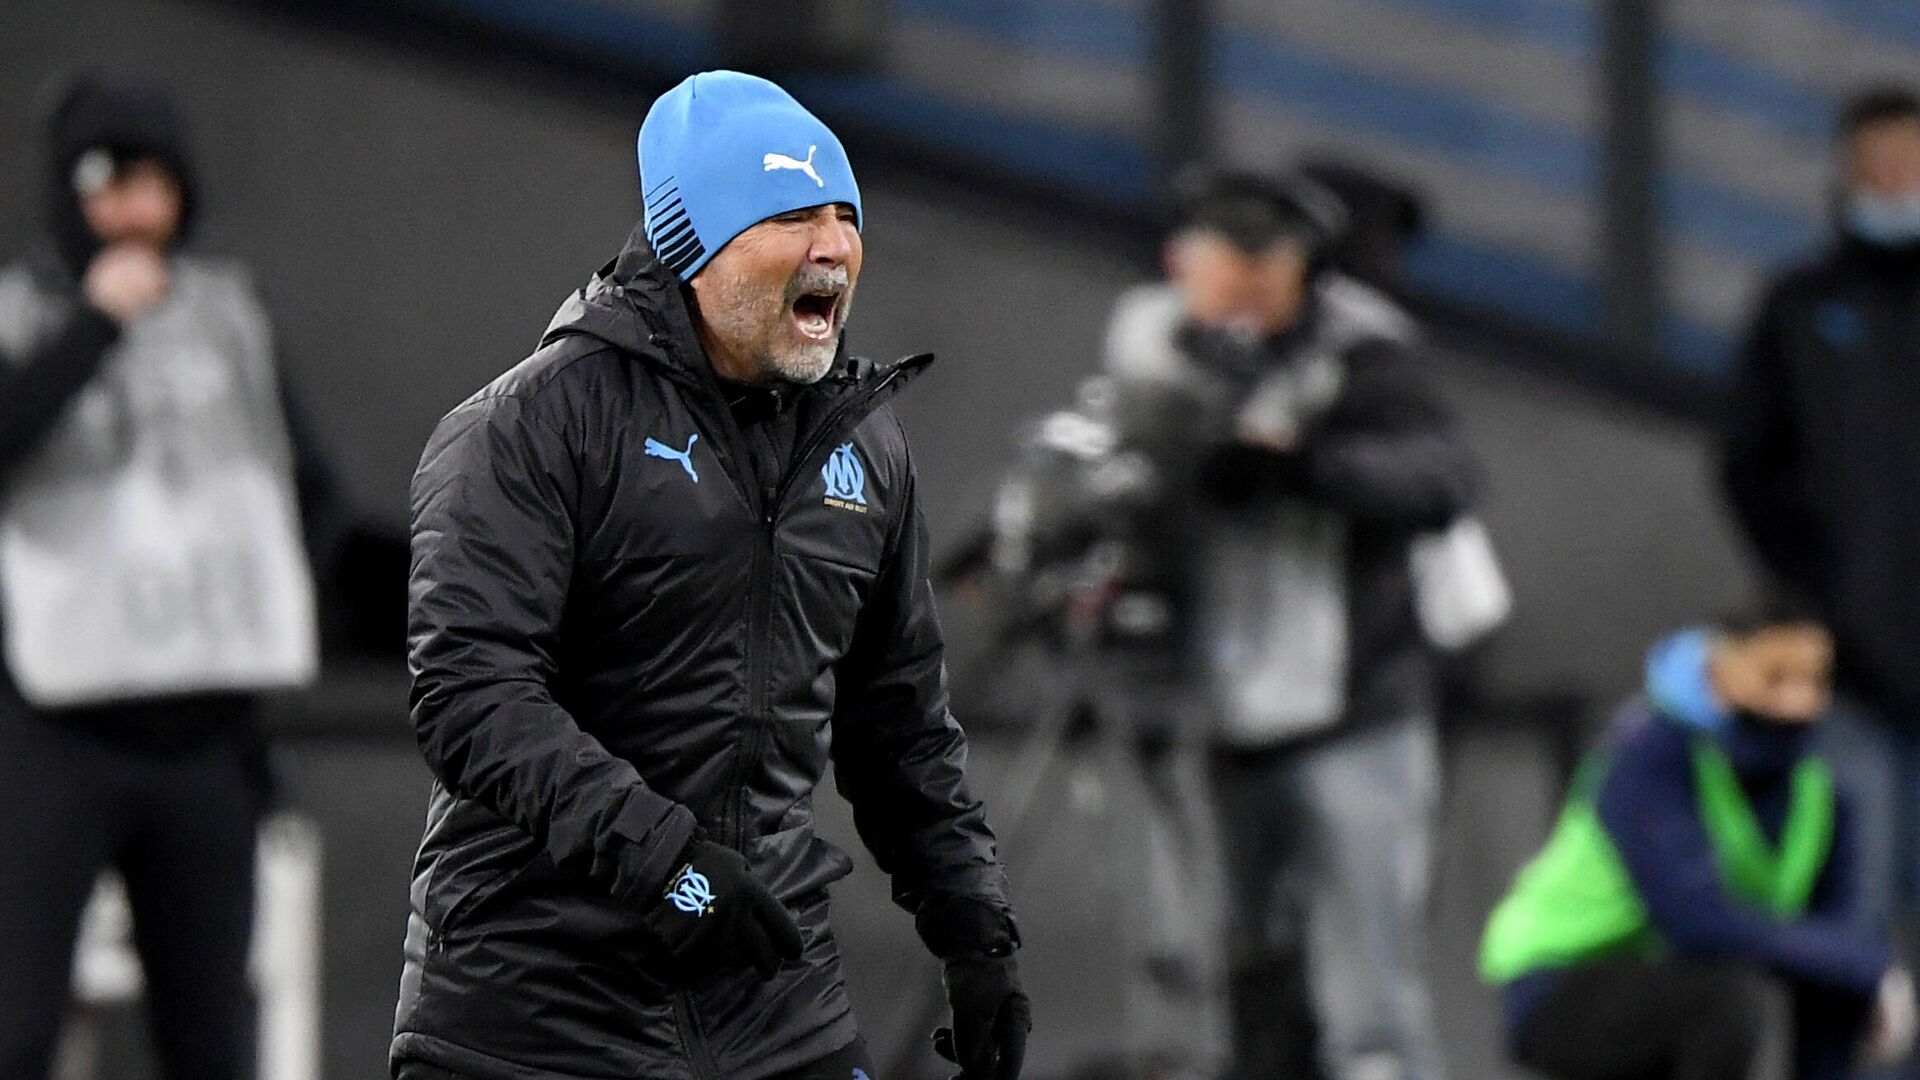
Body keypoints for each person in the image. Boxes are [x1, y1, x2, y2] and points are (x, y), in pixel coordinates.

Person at [393, 71, 1029, 1080]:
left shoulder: (863, 453)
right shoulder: (527, 427)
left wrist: (974, 930)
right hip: (534, 1018)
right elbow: (473, 699)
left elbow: (898, 720)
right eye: (789, 215)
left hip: (775, 1004)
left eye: (843, 214)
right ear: (695, 249)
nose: (832, 245)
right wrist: (674, 866)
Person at [1086, 168, 1472, 1080]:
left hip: (1355, 710)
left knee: (1368, 1003)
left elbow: (1440, 478)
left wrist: (1305, 469)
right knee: (1234, 985)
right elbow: (1102, 469)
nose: (1245, 293)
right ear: (1184, 263)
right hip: (1211, 713)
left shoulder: (1361, 349)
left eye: (1269, 270)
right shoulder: (1152, 344)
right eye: (1225, 267)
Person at [0, 74, 336, 1079]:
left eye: (153, 185)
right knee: (19, 1028)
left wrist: (266, 625)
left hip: (203, 733)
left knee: (208, 1037)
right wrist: (93, 327)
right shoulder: (19, 313)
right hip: (58, 724)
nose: (133, 214)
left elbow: (303, 489)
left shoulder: (227, 315)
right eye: (108, 185)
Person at [1480, 613, 1916, 1080]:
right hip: (1562, 975)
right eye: (1774, 677)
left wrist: (1859, 974)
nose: (1795, 699)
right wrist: (1863, 965)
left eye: (1811, 679)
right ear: (1721, 676)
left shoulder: (1819, 794)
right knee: (1727, 1003)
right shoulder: (1651, 758)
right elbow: (1694, 920)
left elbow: (1833, 939)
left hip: (1676, 979)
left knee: (1827, 985)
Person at [1722, 85, 1920, 1054]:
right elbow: (1751, 469)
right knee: (1847, 915)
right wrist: (1828, 598)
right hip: (1843, 675)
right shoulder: (1803, 310)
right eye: (1876, 163)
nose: (1894, 182)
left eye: (1911, 163)